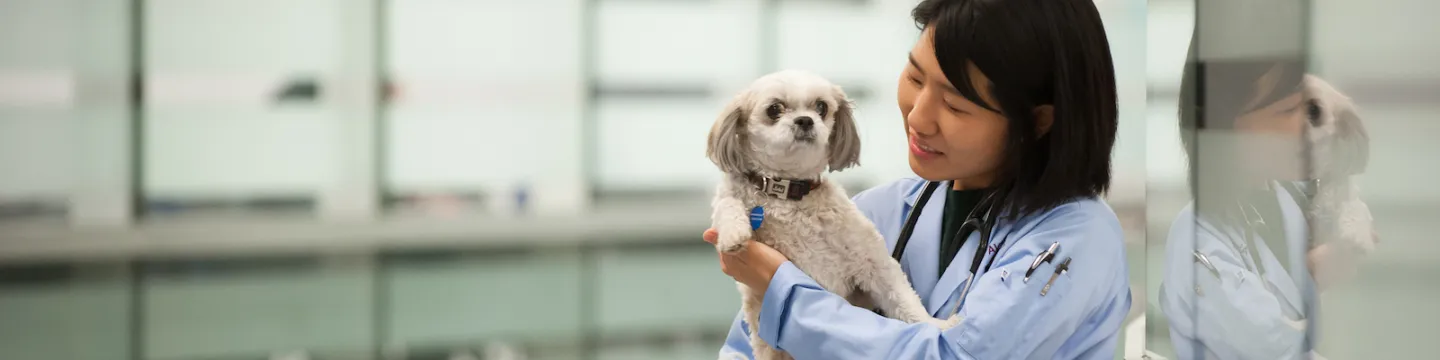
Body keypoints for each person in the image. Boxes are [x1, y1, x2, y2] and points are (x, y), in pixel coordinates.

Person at [700, 0, 1131, 358]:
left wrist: (784, 291)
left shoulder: (1075, 240)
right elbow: (743, 346)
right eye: (915, 77)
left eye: (957, 105)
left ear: (1037, 121)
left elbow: (956, 355)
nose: (918, 117)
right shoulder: (876, 210)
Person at [1157, 30, 1374, 360]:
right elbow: (1266, 347)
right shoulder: (1197, 240)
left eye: (1308, 108)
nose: (1305, 129)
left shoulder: (1285, 199)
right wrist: (1317, 273)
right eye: (1287, 111)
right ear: (1221, 127)